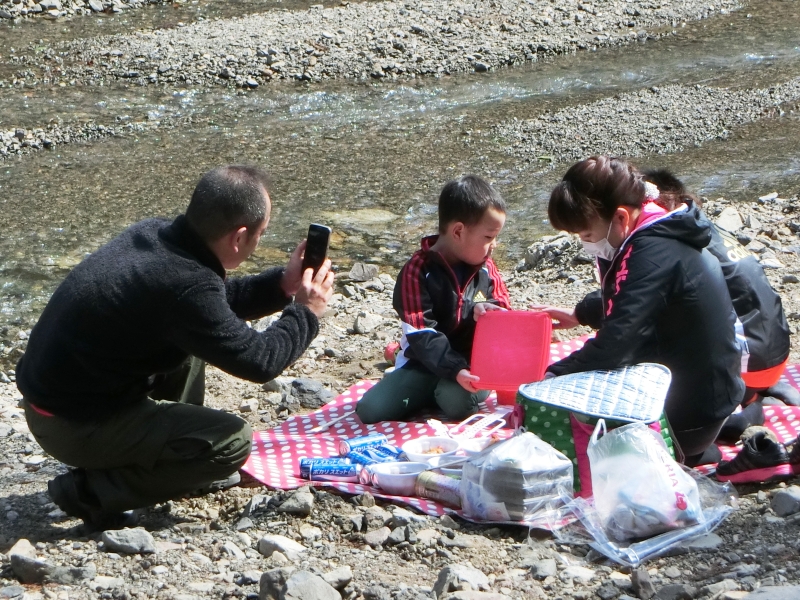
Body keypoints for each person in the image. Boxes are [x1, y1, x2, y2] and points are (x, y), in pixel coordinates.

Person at [16, 165, 334, 530]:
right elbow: (261, 361)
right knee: (232, 442)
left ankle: (171, 455)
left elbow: (209, 306)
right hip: (69, 425)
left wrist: (281, 285)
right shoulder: (184, 285)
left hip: (56, 401)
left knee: (193, 342)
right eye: (260, 234)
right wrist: (306, 312)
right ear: (239, 237)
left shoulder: (155, 234)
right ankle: (91, 492)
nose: (260, 242)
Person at [534, 156, 744, 466]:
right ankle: (715, 435)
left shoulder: (652, 251)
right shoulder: (658, 227)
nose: (586, 245)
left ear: (620, 218)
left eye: (587, 236)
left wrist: (551, 376)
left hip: (692, 416)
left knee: (590, 444)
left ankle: (690, 449)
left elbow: (616, 344)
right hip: (714, 395)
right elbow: (634, 297)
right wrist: (581, 313)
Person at [641, 169, 795, 442]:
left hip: (751, 361)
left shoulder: (673, 240)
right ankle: (756, 390)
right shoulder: (698, 224)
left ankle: (746, 404)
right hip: (775, 349)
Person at [356, 175, 511, 424]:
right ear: (458, 231)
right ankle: (415, 377)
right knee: (369, 411)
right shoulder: (417, 271)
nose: (494, 246)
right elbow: (422, 333)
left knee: (457, 404)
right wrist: (453, 369)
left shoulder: (485, 268)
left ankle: (436, 392)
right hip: (425, 363)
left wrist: (490, 311)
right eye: (488, 237)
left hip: (472, 365)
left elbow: (504, 307)